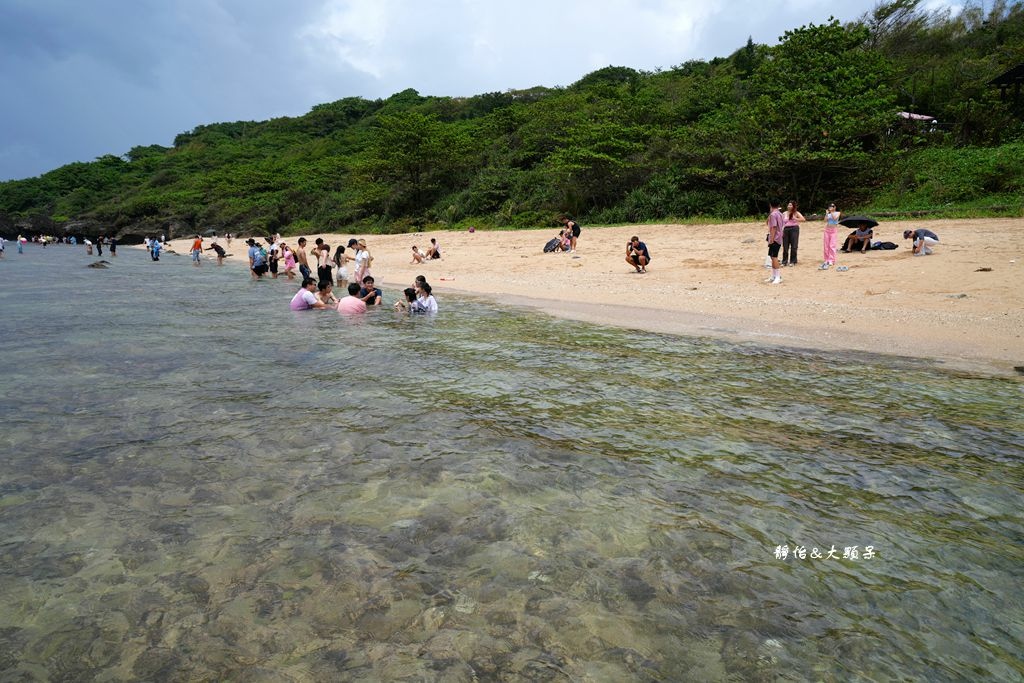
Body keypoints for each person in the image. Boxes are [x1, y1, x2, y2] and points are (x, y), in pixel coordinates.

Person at [766, 199, 785, 285]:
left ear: (770, 205)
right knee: (771, 256)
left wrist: (771, 239)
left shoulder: (773, 215)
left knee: (774, 257)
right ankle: (774, 275)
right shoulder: (780, 214)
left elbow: (773, 227)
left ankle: (778, 277)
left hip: (775, 238)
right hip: (779, 236)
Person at [781, 201, 804, 266]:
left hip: (794, 229)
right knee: (785, 246)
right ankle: (784, 261)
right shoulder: (784, 213)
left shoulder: (796, 213)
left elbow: (803, 219)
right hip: (786, 229)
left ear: (793, 206)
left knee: (794, 246)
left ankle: (793, 261)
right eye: (788, 205)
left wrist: (795, 218)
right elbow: (782, 222)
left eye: (791, 205)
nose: (789, 206)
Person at [821, 203, 840, 270]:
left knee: (832, 245)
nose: (830, 207)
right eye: (830, 206)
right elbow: (825, 221)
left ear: (835, 207)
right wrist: (826, 213)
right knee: (826, 245)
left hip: (833, 230)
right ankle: (826, 259)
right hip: (827, 230)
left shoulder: (838, 213)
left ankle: (831, 260)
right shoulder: (828, 214)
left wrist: (831, 212)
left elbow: (835, 219)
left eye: (832, 206)